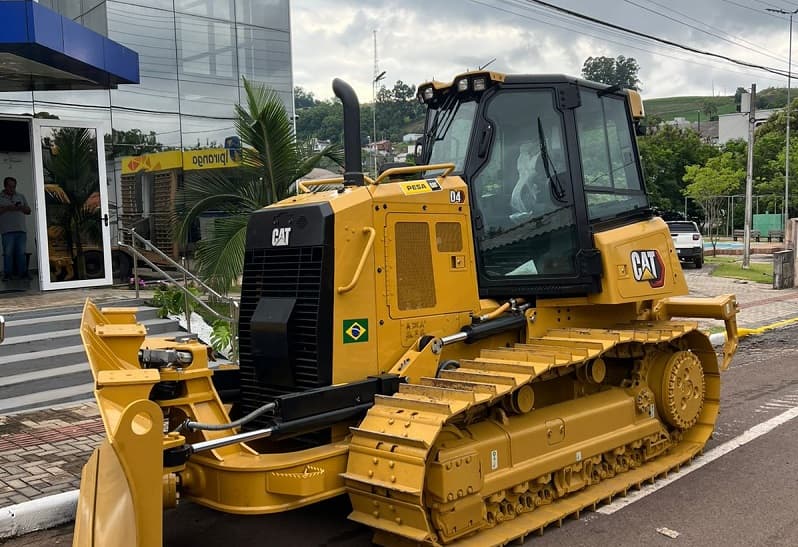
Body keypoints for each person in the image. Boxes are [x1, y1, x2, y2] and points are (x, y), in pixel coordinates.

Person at [0, 176, 32, 280]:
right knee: (8, 253)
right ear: (5, 186)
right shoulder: (0, 197)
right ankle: (8, 274)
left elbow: (28, 211)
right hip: (7, 231)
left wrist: (21, 207)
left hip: (21, 230)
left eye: (14, 187)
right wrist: (8, 208)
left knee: (21, 253)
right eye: (10, 186)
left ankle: (23, 274)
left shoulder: (20, 196)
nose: (12, 189)